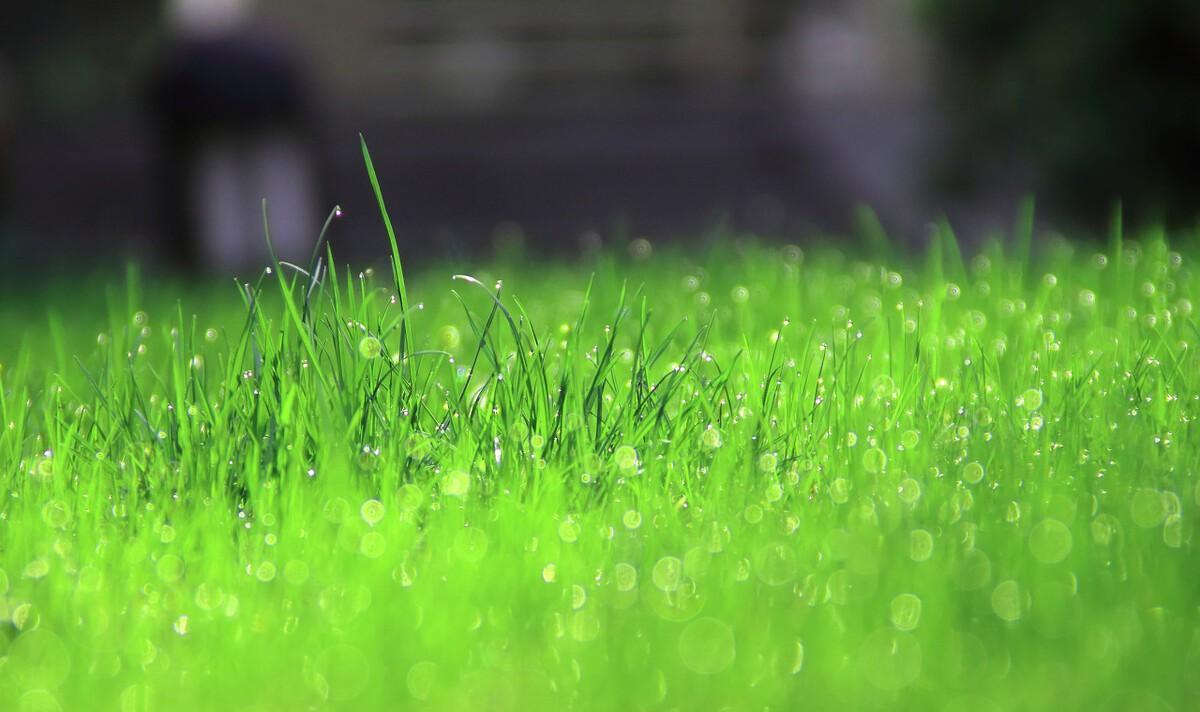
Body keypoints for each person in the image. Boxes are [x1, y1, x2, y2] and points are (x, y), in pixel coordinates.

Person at [148, 0, 319, 272]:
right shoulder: (267, 54)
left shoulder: (187, 60)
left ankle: (253, 262)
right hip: (240, 127)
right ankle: (272, 261)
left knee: (234, 189)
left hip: (239, 127)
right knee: (244, 188)